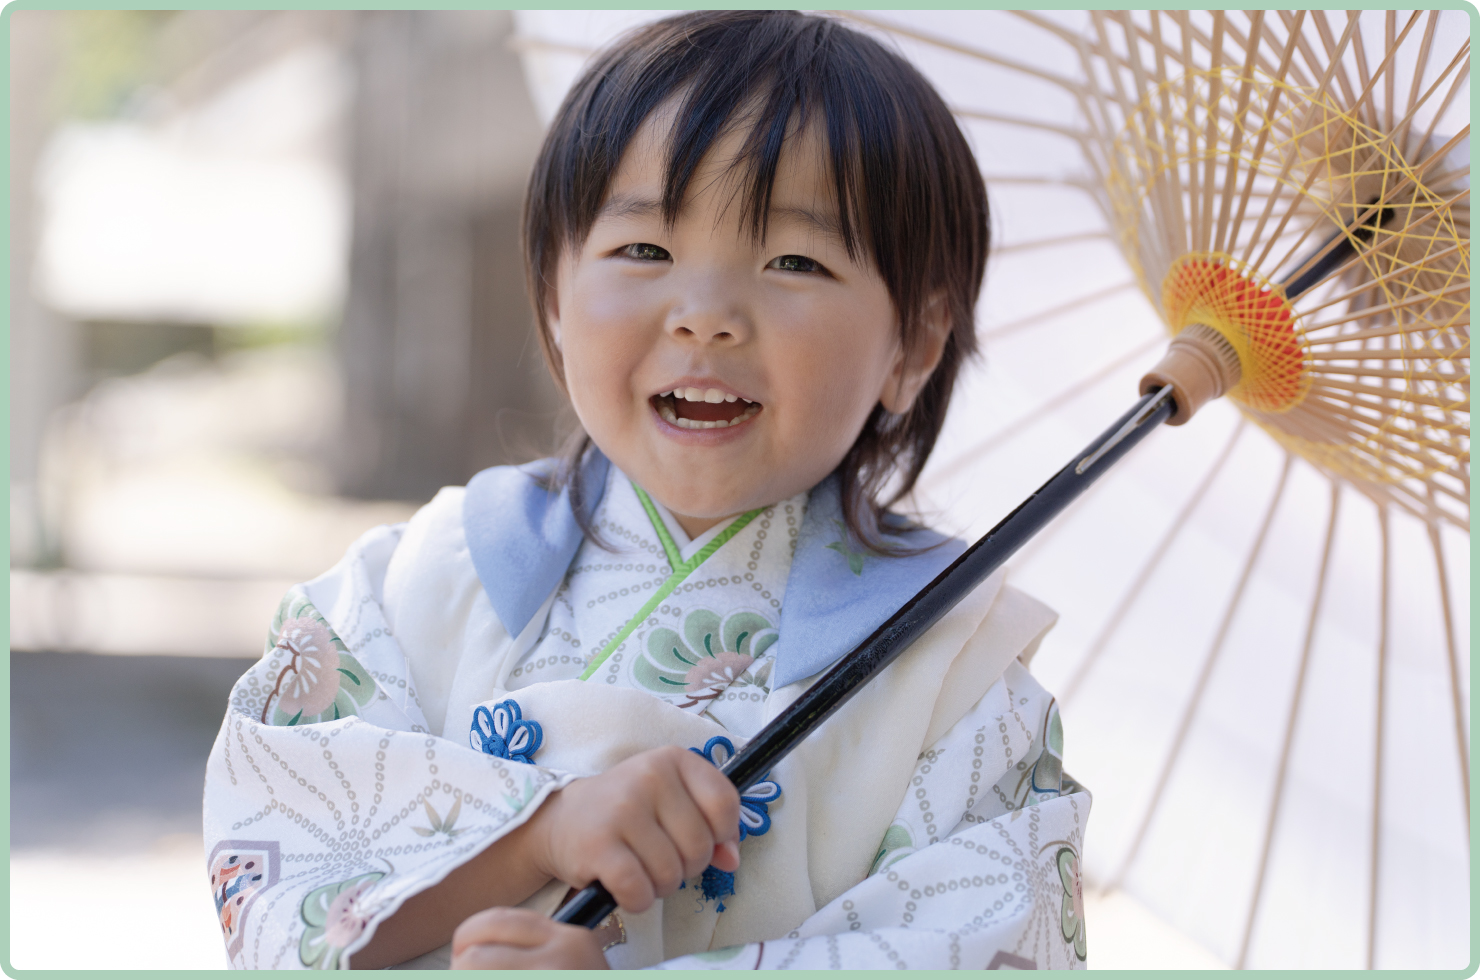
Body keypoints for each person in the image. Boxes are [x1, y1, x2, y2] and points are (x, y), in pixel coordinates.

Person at [203, 11, 1089, 970]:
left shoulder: (953, 677)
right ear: (552, 289)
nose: (705, 316)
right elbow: (279, 846)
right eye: (643, 252)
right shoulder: (414, 586)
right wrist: (532, 834)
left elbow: (987, 941)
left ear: (914, 344)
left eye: (795, 260)